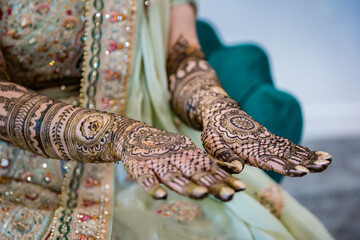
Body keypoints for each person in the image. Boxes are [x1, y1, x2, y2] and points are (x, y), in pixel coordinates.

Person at [0, 0, 333, 239]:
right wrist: (125, 137)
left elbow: (182, 59)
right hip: (18, 168)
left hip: (153, 156)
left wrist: (218, 109)